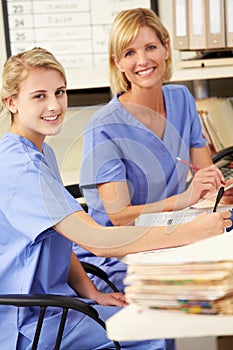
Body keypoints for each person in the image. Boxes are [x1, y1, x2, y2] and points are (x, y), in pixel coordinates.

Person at [0, 48, 231, 350]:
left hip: (58, 303)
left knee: (154, 317)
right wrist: (191, 231)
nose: (55, 105)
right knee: (148, 333)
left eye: (59, 92)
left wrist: (90, 291)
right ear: (11, 102)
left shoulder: (40, 151)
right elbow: (96, 239)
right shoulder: (22, 167)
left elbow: (56, 236)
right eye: (39, 96)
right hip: (31, 322)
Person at [76, 7, 233, 293]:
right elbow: (120, 217)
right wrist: (186, 198)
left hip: (169, 237)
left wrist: (220, 193)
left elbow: (207, 179)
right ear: (118, 63)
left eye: (150, 47)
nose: (143, 60)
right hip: (120, 255)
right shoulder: (104, 126)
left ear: (166, 48)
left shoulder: (182, 99)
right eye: (129, 53)